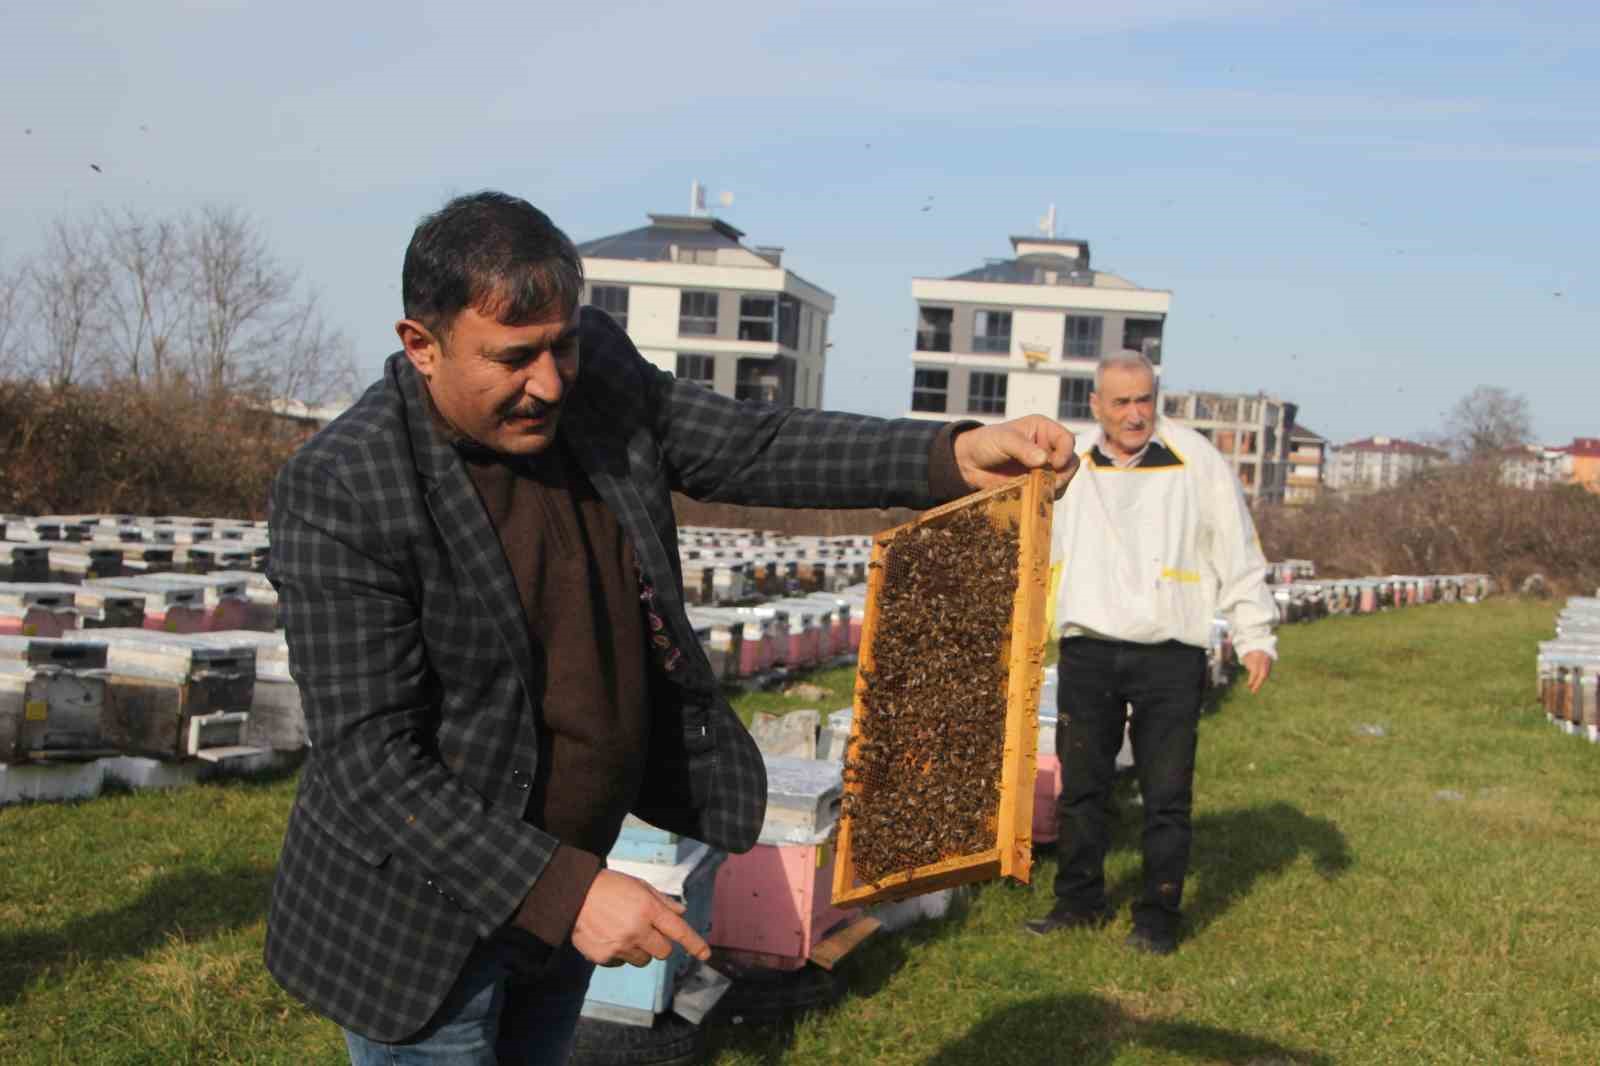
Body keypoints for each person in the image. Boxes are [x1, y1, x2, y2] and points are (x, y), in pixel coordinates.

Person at [264, 190, 1077, 1065]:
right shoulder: (344, 488)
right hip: (421, 921)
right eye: (512, 359)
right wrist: (566, 891)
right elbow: (368, 760)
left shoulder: (593, 378)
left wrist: (945, 456)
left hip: (574, 876)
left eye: (561, 346)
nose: (547, 383)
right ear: (420, 345)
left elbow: (748, 444)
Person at [1024, 351, 1276, 955]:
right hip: (1087, 648)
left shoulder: (1197, 460)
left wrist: (1255, 634)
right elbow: (1033, 548)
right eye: (1121, 403)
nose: (1136, 415)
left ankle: (1157, 918)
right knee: (1082, 788)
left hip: (1171, 651)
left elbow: (1236, 548)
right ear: (1095, 406)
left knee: (1167, 794)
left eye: (1144, 400)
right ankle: (1078, 902)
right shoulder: (1070, 463)